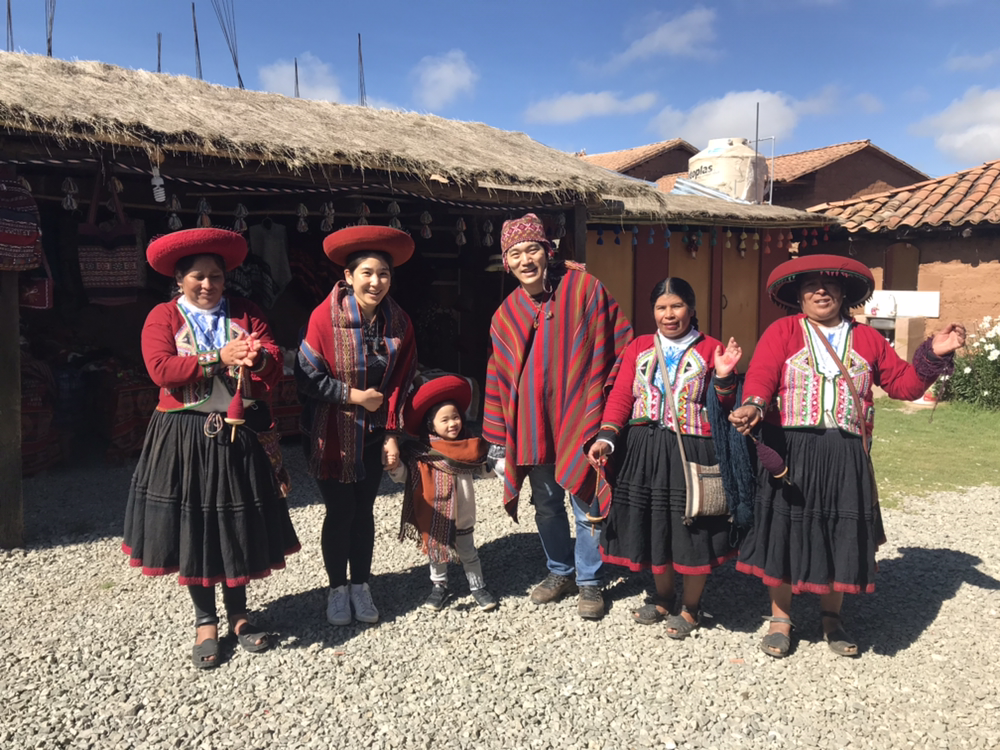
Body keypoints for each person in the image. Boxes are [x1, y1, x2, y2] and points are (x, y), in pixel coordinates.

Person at [728, 254, 964, 658]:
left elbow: (904, 385)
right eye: (811, 286)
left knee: (839, 532)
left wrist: (934, 353)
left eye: (830, 285)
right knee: (786, 532)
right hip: (793, 450)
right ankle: (781, 618)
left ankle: (831, 618)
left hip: (845, 453)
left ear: (844, 293)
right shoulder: (783, 331)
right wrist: (753, 404)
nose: (821, 292)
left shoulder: (868, 339)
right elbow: (763, 375)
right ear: (798, 296)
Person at [123, 228, 300, 670]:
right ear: (179, 279)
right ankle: (205, 621)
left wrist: (257, 357)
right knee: (195, 524)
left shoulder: (246, 312)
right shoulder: (163, 317)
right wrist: (219, 357)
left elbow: (273, 361)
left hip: (240, 432)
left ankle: (239, 615)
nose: (208, 285)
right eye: (198, 277)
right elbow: (161, 368)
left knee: (236, 520)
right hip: (184, 434)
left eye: (216, 277)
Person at [483, 213, 632, 620]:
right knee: (547, 503)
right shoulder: (505, 314)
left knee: (586, 501)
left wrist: (611, 413)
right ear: (506, 262)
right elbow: (497, 375)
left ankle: (590, 580)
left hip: (581, 416)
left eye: (532, 249)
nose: (525, 260)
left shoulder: (584, 289)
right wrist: (498, 440)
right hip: (534, 425)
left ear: (547, 251)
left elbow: (620, 344)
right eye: (515, 253)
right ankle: (559, 570)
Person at [587, 278, 742, 637]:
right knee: (655, 523)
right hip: (645, 449)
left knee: (692, 527)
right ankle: (662, 597)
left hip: (692, 450)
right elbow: (622, 396)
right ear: (653, 311)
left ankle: (691, 607)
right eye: (661, 307)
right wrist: (607, 437)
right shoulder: (640, 346)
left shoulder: (711, 348)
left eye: (676, 306)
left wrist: (724, 377)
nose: (669, 314)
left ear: (691, 309)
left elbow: (725, 405)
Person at [296, 225, 417, 626]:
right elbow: (306, 376)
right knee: (340, 511)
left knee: (364, 511)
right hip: (329, 433)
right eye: (367, 273)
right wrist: (353, 396)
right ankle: (337, 589)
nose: (375, 282)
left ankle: (361, 585)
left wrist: (393, 434)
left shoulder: (398, 322)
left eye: (383, 274)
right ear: (348, 276)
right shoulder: (322, 318)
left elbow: (401, 380)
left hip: (374, 434)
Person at [390, 375, 500, 612]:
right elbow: (405, 476)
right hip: (435, 516)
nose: (453, 424)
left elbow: (485, 470)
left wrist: (497, 465)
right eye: (445, 420)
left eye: (456, 417)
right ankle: (439, 587)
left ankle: (478, 587)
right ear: (431, 425)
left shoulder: (470, 448)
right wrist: (395, 467)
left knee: (468, 553)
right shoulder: (421, 453)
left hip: (463, 516)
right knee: (437, 555)